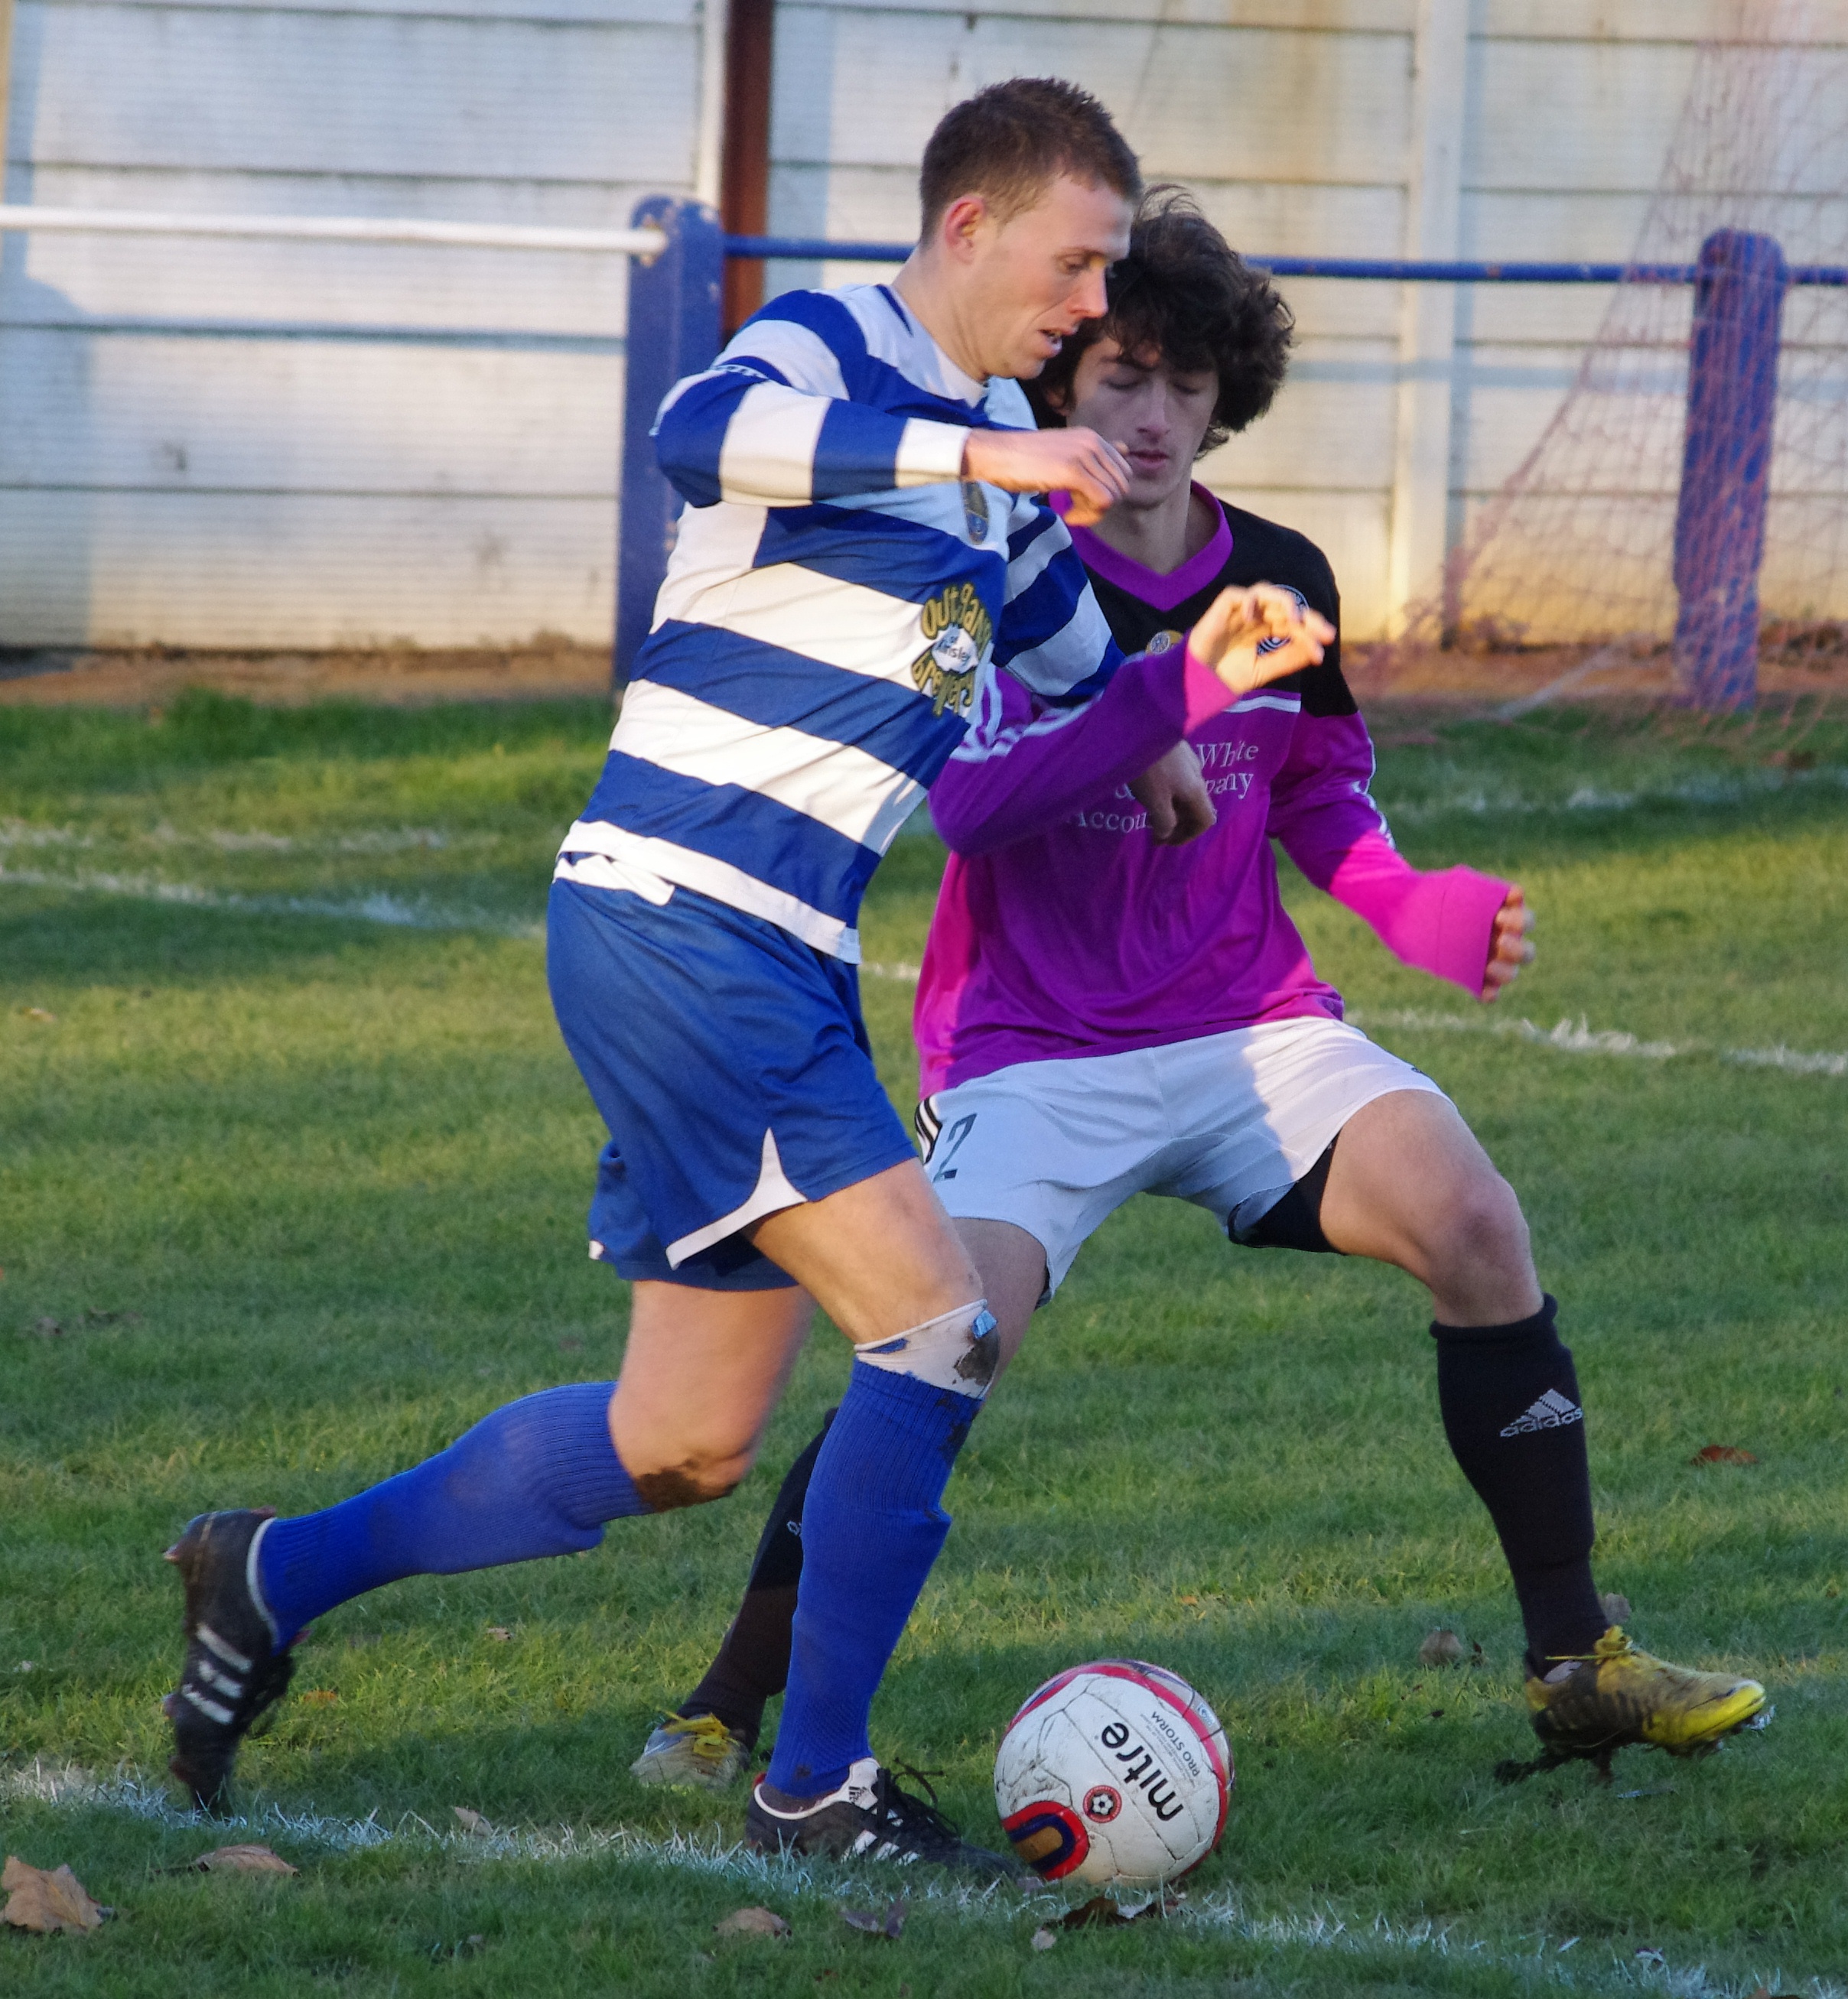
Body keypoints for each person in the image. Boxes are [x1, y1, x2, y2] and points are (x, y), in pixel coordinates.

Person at [156, 86, 1336, 1877]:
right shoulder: (835, 346)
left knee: (686, 1435)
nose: (1095, 306)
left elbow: (1071, 635)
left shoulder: (999, 465)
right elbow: (697, 428)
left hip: (752, 947)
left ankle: (269, 1570)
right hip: (687, 918)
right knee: (936, 1323)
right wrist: (979, 461)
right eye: (1075, 261)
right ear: (969, 230)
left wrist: (1175, 713)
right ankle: (815, 1781)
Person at [630, 190, 1765, 1809]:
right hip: (1027, 1051)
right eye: (1113, 378)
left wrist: (1407, 904)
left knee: (1472, 1218)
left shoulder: (1282, 576)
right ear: (1053, 394)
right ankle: (726, 1701)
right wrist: (1168, 688)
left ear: (1225, 391)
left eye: (1180, 383)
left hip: (1249, 1026)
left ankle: (1576, 1662)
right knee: (936, 1343)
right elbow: (972, 805)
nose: (1149, 415)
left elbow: (1321, 799)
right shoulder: (991, 565)